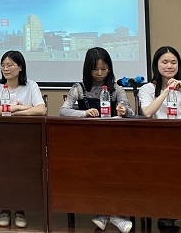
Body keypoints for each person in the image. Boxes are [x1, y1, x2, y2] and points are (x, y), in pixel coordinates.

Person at [59, 47, 133, 233]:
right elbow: (63, 110)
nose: (100, 73)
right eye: (95, 69)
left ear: (109, 68)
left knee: (116, 171)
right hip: (89, 143)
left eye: (104, 69)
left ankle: (106, 215)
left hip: (115, 143)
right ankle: (112, 215)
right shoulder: (79, 88)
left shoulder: (116, 88)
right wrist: (84, 113)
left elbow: (131, 112)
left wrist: (124, 111)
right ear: (87, 69)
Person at [0, 50, 45, 228]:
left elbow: (41, 109)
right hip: (0, 137)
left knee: (22, 173)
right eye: (3, 65)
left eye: (10, 65)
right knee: (2, 172)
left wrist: (10, 110)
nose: (6, 69)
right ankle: (4, 209)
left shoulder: (31, 86)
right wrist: (19, 108)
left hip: (25, 138)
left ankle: (20, 210)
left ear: (20, 67)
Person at [138, 46, 181, 232]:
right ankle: (168, 213)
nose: (170, 66)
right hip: (160, 141)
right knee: (166, 177)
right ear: (156, 64)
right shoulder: (147, 88)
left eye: (173, 62)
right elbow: (147, 113)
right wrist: (166, 91)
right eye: (165, 62)